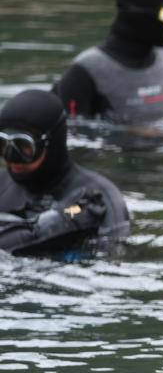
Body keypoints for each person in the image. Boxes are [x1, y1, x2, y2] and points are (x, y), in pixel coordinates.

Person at [0, 89, 130, 257]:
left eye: (24, 146)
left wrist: (67, 215)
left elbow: (114, 257)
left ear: (52, 144)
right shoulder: (2, 184)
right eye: (3, 144)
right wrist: (54, 221)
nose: (12, 157)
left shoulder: (95, 200)